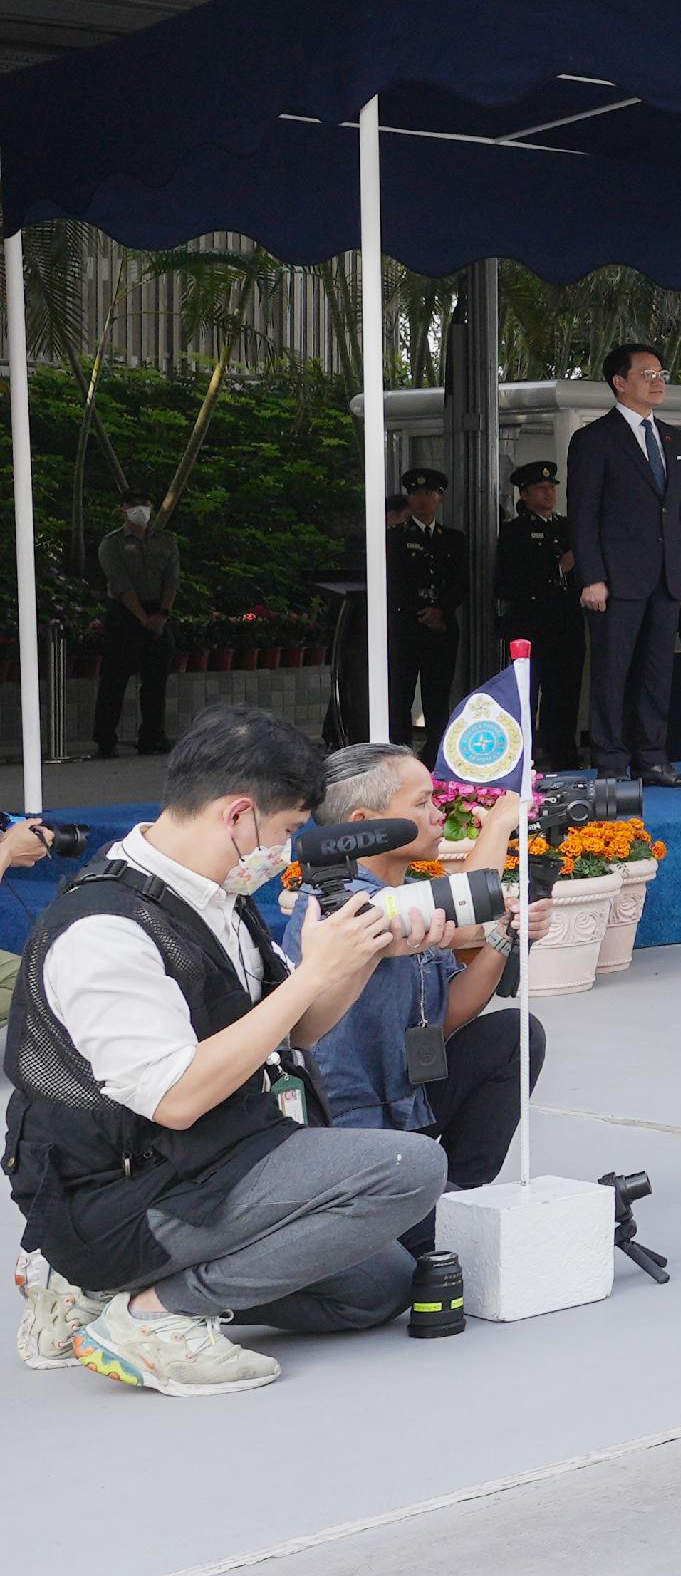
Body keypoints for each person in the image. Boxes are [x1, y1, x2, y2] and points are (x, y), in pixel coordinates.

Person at [5, 707, 448, 1396]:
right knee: (409, 1168)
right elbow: (177, 1099)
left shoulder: (217, 893)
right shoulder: (104, 930)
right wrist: (312, 972)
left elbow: (297, 1030)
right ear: (238, 814)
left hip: (209, 1156)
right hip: (119, 1195)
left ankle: (97, 1296)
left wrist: (361, 957)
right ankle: (152, 1314)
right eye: (288, 831)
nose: (287, 850)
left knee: (374, 1288)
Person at [287, 743, 545, 1198]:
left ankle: (461, 1195)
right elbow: (469, 904)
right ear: (363, 826)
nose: (438, 813)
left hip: (410, 1103)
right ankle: (430, 1214)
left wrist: (505, 934)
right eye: (422, 802)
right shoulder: (338, 906)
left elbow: (448, 1015)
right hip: (348, 1131)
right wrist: (502, 822)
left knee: (516, 1034)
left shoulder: (406, 894)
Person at [565, 344, 681, 789]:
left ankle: (652, 758)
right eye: (647, 374)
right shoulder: (594, 439)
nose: (658, 381)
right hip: (615, 580)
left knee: (658, 671)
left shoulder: (676, 440)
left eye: (661, 373)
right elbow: (583, 514)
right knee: (611, 672)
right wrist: (592, 577)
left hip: (665, 578)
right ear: (619, 382)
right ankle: (609, 762)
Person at [491, 460, 583, 771]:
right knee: (526, 692)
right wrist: (558, 568)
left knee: (565, 691)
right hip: (531, 621)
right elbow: (509, 579)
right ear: (525, 494)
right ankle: (525, 755)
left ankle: (562, 753)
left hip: (566, 621)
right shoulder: (515, 531)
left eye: (551, 488)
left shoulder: (566, 526)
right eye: (540, 489)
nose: (548, 493)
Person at [90, 493, 180, 759]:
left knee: (156, 681)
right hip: (124, 616)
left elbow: (172, 581)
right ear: (124, 510)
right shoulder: (112, 544)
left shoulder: (165, 542)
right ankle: (105, 740)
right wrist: (143, 619)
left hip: (158, 612)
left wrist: (162, 614)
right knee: (114, 681)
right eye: (133, 505)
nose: (140, 510)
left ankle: (153, 736)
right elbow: (121, 585)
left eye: (144, 505)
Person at [386, 465, 463, 756]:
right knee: (401, 695)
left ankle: (436, 754)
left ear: (440, 498)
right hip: (406, 626)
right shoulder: (395, 538)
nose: (422, 498)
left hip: (441, 628)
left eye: (429, 493)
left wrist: (440, 610)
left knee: (437, 696)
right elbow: (393, 582)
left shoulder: (453, 538)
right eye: (416, 493)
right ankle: (400, 754)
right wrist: (417, 612)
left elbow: (460, 583)